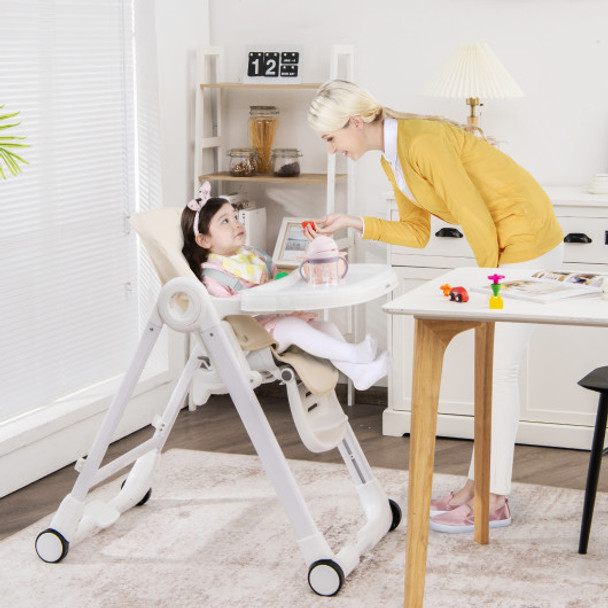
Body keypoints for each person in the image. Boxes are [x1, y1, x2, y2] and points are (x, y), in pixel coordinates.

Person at [307, 79, 565, 534]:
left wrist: (489, 288)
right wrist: (353, 222)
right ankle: (477, 487)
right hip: (504, 248)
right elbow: (416, 232)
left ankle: (494, 499)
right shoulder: (395, 156)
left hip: (525, 241)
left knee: (497, 370)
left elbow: (474, 216)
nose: (331, 150)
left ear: (354, 123)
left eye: (330, 139)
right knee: (490, 369)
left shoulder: (422, 140)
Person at [181, 184, 392, 392]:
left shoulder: (252, 255)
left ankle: (359, 374)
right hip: (247, 341)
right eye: (225, 221)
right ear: (204, 239)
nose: (236, 224)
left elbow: (277, 278)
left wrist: (290, 278)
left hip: (271, 323)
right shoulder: (213, 275)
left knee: (326, 328)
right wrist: (259, 293)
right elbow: (223, 312)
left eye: (235, 217)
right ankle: (354, 354)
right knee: (291, 326)